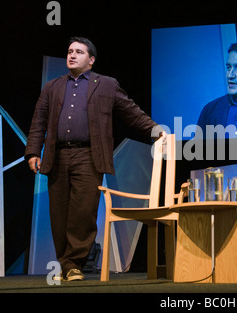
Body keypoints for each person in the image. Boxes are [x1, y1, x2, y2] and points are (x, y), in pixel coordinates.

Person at [25, 37, 164, 281]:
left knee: (83, 212)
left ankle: (74, 264)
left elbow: (131, 112)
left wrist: (156, 130)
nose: (72, 55)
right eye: (69, 51)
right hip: (57, 157)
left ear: (91, 60)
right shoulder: (52, 87)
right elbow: (38, 121)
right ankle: (66, 265)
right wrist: (33, 151)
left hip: (89, 155)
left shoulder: (107, 85)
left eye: (78, 52)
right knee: (59, 214)